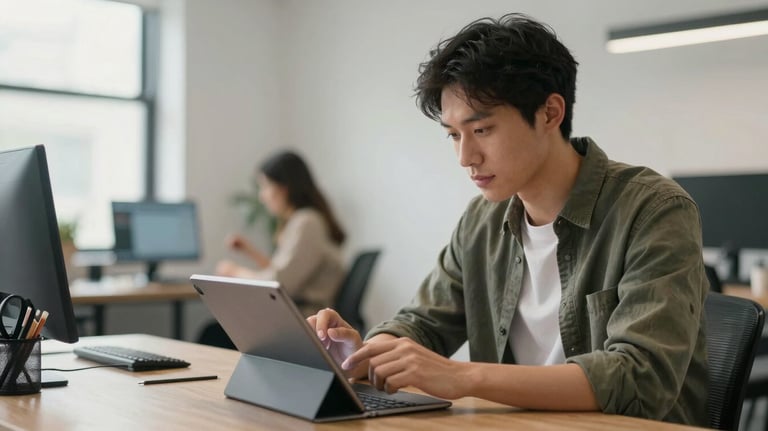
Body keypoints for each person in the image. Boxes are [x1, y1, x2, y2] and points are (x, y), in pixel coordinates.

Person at [309, 13, 709, 427]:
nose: (465, 157)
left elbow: (640, 378)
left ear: (550, 113)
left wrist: (463, 376)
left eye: (481, 130)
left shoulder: (653, 209)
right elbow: (423, 323)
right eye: (453, 135)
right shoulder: (481, 220)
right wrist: (364, 353)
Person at [216, 151, 346, 316]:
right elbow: (280, 271)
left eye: (265, 187)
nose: (262, 196)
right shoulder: (304, 220)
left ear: (284, 189)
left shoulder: (307, 222)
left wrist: (234, 272)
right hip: (301, 313)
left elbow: (278, 284)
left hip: (305, 317)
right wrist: (249, 251)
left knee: (215, 328)